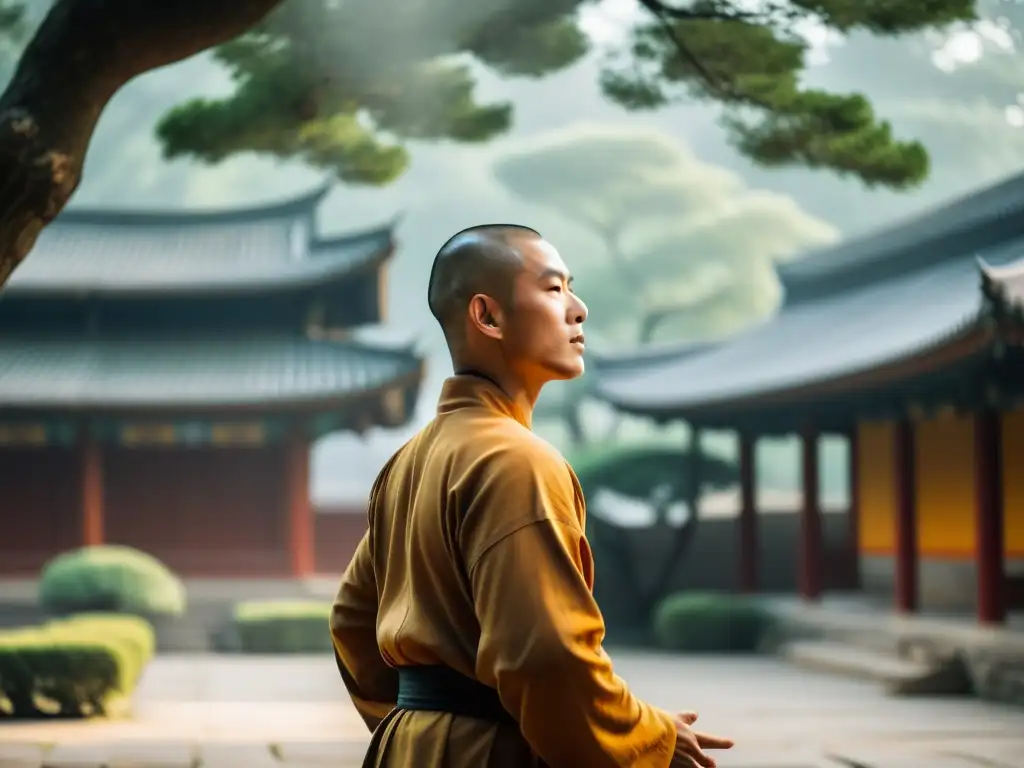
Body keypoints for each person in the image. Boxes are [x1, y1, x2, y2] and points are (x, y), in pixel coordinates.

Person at [330, 224, 734, 767]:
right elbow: (547, 659)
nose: (578, 308)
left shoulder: (408, 463)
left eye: (572, 287)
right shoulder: (517, 461)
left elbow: (354, 623)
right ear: (488, 315)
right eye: (553, 289)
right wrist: (647, 737)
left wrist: (421, 721)